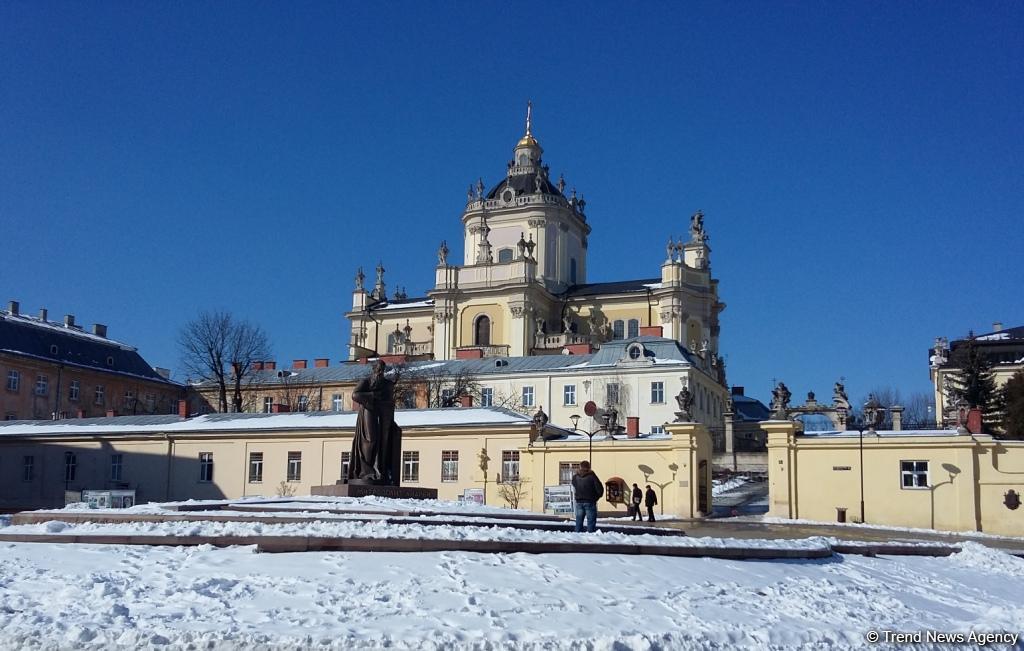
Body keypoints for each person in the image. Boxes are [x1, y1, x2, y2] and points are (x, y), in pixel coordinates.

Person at [571, 460, 603, 533]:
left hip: (579, 501)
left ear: (580, 467)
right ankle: (590, 537)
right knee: (591, 521)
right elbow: (600, 489)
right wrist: (596, 497)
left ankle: (577, 536)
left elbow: (574, 484)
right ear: (589, 467)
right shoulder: (592, 476)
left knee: (579, 520)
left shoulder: (575, 477)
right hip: (590, 501)